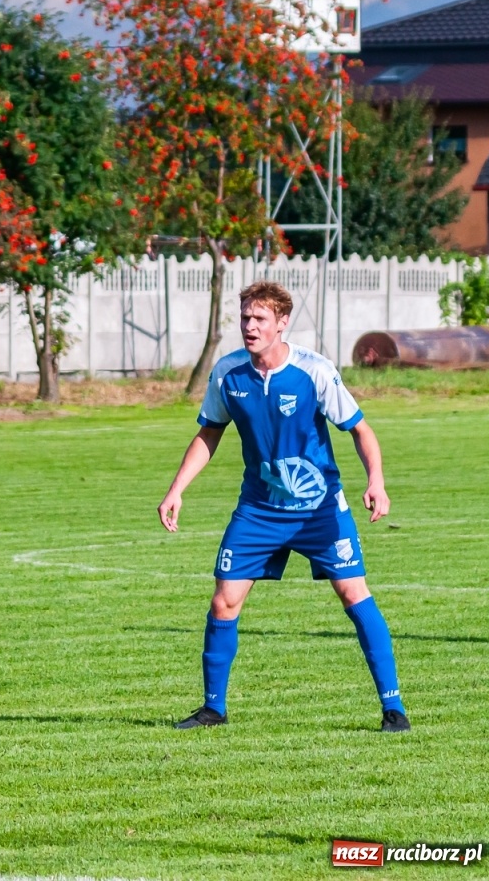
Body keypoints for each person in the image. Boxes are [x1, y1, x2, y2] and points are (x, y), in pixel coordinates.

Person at [159, 280, 407, 733]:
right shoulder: (228, 373)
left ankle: (394, 708)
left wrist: (377, 481)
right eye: (245, 318)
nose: (250, 327)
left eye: (259, 319)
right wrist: (177, 489)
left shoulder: (314, 370)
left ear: (282, 323)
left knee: (354, 595)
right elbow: (210, 432)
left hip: (319, 510)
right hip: (259, 508)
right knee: (224, 602)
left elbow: (361, 430)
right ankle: (213, 708)